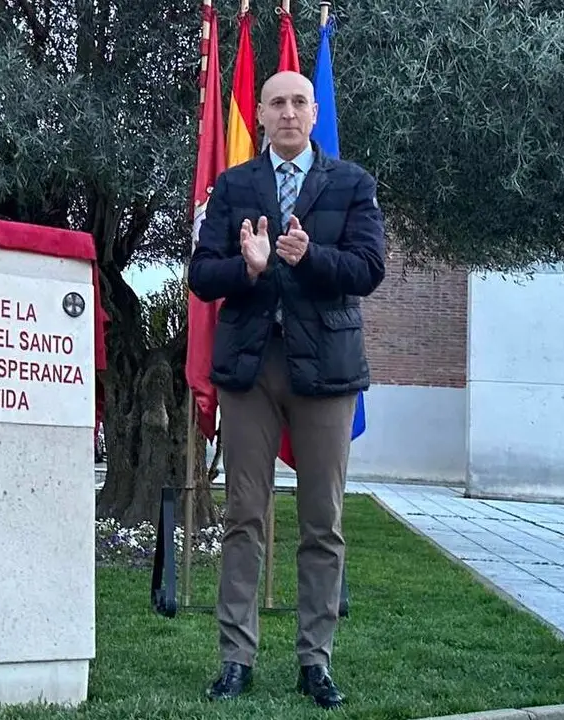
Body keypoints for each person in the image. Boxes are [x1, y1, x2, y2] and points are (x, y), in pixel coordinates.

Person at [187, 70, 385, 709]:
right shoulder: (233, 185)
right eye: (277, 103)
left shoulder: (352, 183)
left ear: (314, 112)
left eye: (300, 101)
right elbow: (201, 276)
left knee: (322, 520)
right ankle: (235, 659)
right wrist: (248, 269)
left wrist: (310, 257)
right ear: (262, 115)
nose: (290, 112)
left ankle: (315, 663)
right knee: (244, 514)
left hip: (325, 369)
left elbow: (369, 269)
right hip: (251, 368)